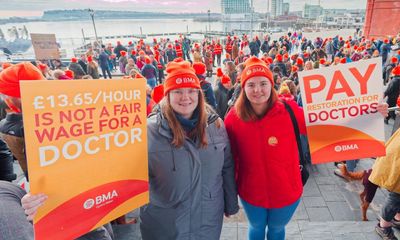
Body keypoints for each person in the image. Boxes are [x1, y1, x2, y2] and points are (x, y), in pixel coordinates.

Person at [140, 59, 239, 239]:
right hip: (166, 224)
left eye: (191, 91)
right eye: (177, 91)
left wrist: (231, 203)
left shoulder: (215, 125)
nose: (185, 97)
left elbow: (226, 166)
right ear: (167, 95)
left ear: (199, 94)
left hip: (208, 218)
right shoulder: (148, 131)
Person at [224, 56, 304, 240]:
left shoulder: (288, 110)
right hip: (251, 192)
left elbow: (322, 122)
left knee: (276, 229)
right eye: (251, 85)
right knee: (256, 227)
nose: (257, 90)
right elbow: (225, 156)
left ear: (271, 85)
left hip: (286, 190)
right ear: (243, 88)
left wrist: (370, 111)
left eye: (263, 83)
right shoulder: (233, 119)